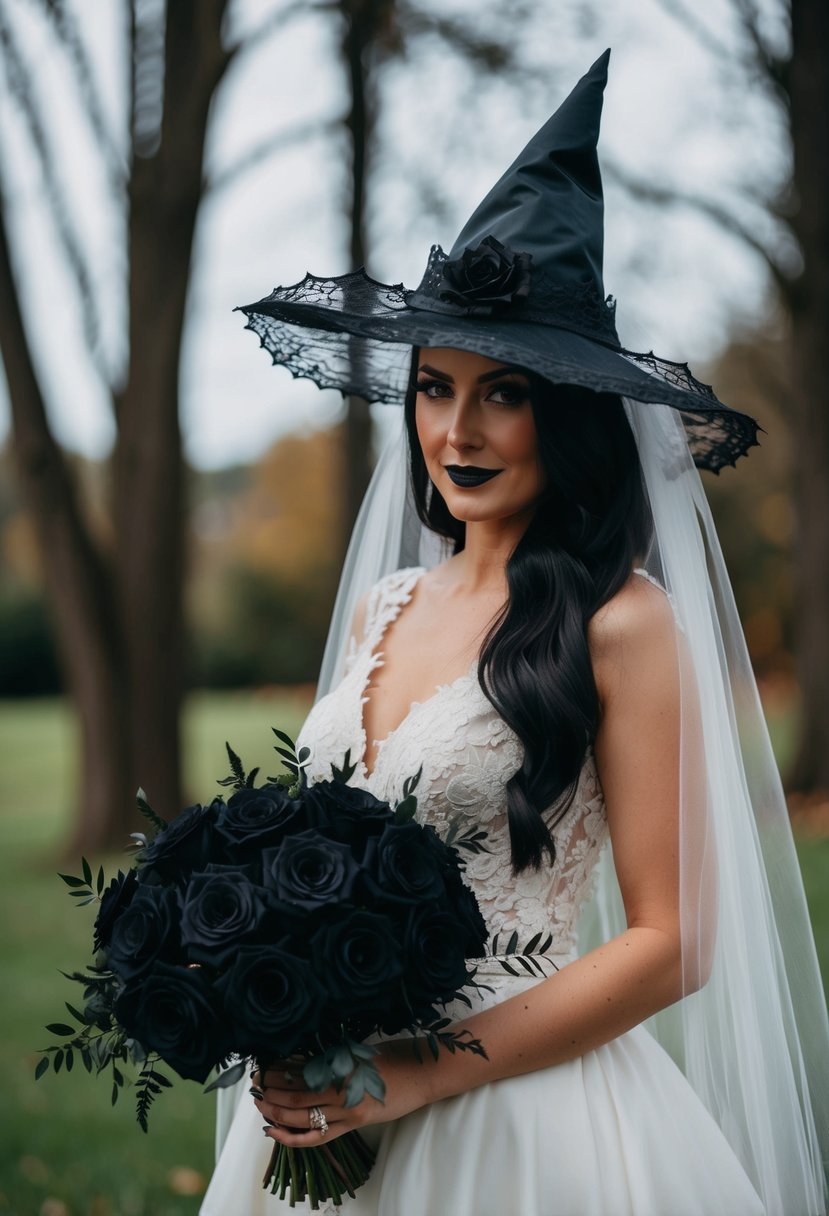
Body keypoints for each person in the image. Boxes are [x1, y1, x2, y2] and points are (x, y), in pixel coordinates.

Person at [201, 52, 829, 1215]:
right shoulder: (384, 607)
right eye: (436, 387)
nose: (459, 429)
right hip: (332, 1092)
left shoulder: (624, 623)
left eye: (505, 391)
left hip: (518, 1115)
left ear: (572, 414)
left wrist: (415, 1073)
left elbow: (672, 943)